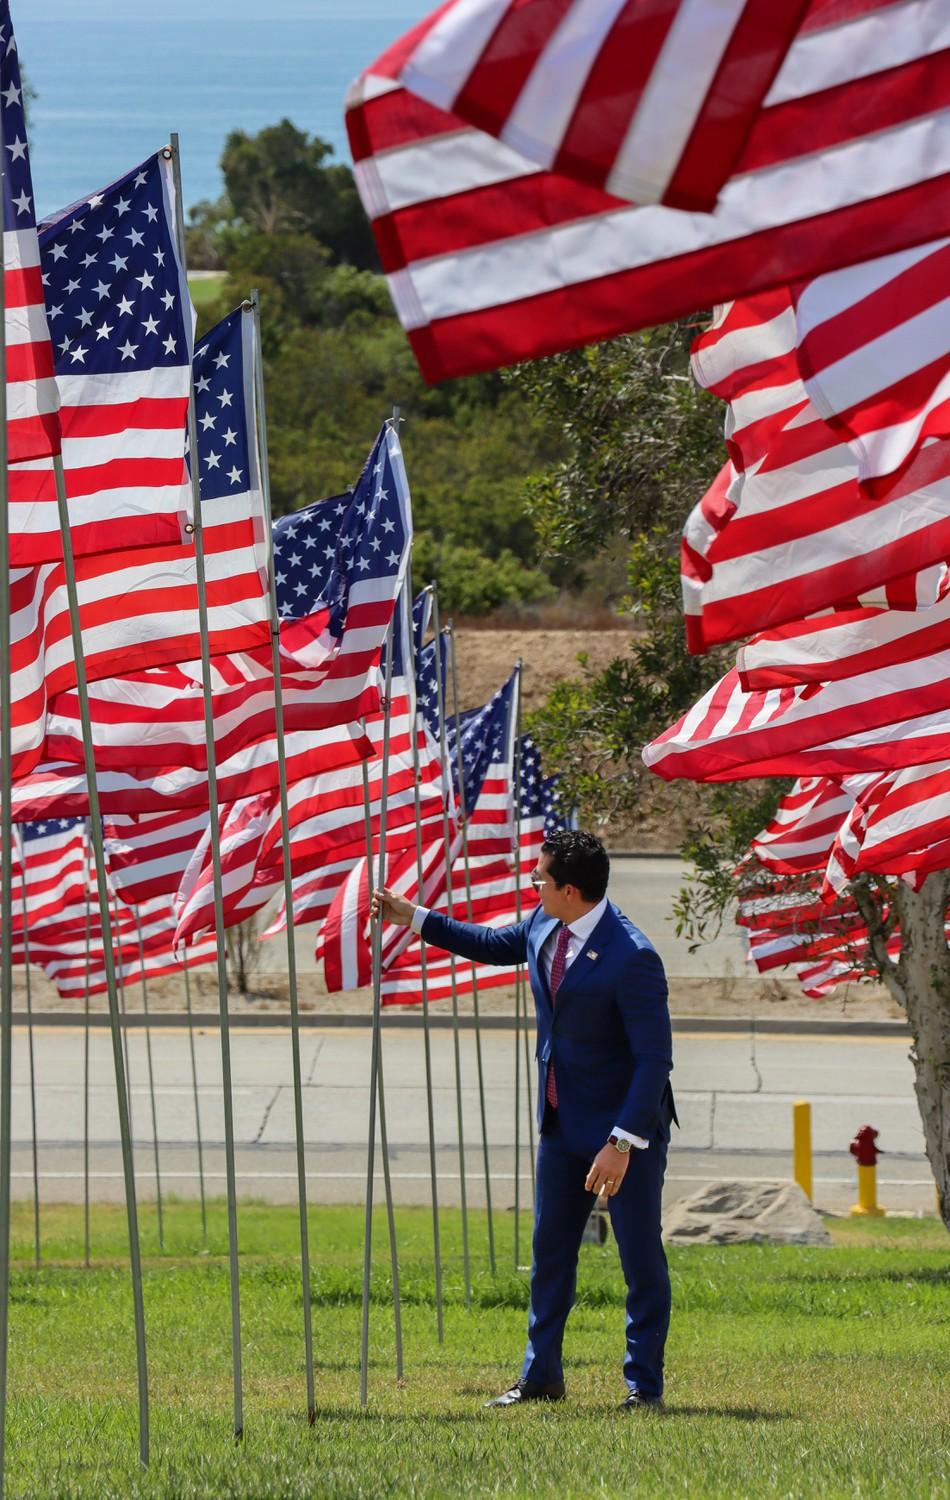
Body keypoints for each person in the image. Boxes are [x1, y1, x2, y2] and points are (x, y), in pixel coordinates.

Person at [372, 828, 677, 1410]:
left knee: (640, 1259)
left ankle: (644, 1388)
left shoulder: (632, 955)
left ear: (569, 888)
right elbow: (490, 942)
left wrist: (622, 1141)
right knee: (550, 1254)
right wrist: (413, 917)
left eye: (539, 877)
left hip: (622, 1135)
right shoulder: (546, 923)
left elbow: (654, 1060)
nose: (531, 884)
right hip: (561, 1125)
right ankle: (541, 1377)